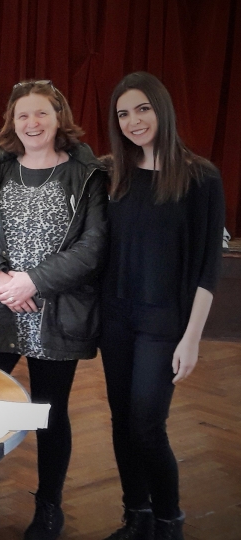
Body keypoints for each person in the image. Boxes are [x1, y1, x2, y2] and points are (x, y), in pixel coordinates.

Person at [0, 80, 107, 540]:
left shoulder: (88, 175)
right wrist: (1, 278)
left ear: (59, 117)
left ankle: (49, 507)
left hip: (55, 315)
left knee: (50, 415)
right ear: (11, 123)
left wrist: (33, 281)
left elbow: (93, 248)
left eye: (41, 113)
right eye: (22, 115)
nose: (32, 123)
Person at [101, 72, 224, 540]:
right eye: (123, 113)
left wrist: (191, 339)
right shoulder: (114, 172)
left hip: (163, 322)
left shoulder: (200, 177)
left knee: (147, 423)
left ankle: (169, 520)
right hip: (116, 319)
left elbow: (208, 268)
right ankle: (137, 515)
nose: (134, 121)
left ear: (161, 109)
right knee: (119, 419)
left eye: (142, 109)